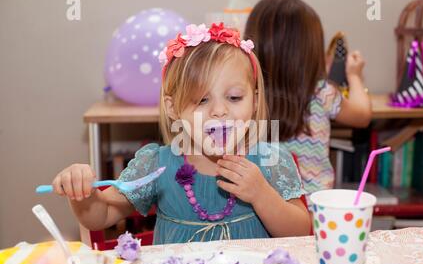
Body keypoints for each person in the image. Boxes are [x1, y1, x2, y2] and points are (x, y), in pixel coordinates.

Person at [51, 23, 311, 244]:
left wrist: (261, 195)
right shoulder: (157, 164)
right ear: (173, 108)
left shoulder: (271, 160)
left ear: (254, 101)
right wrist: (83, 194)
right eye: (201, 100)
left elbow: (301, 233)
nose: (219, 111)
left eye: (234, 97)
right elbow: (103, 214)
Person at [244, 0, 372, 202]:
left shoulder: (244, 95)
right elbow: (362, 116)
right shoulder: (322, 93)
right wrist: (355, 76)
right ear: (311, 51)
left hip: (261, 209)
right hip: (314, 211)